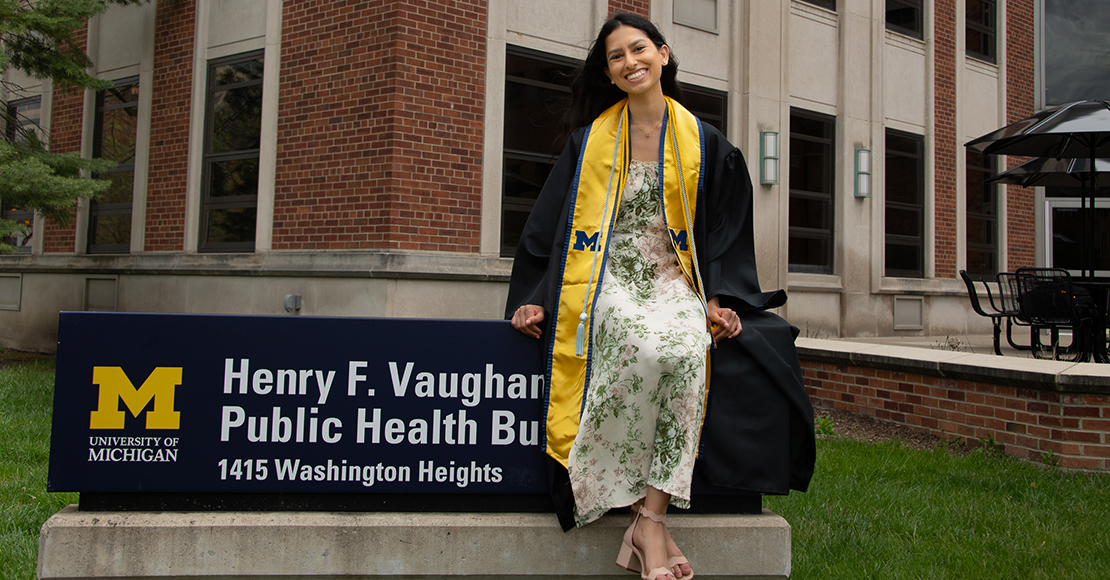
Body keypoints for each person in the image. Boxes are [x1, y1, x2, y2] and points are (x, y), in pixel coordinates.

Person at [505, 14, 815, 580]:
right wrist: (535, 296)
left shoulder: (703, 141)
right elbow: (550, 227)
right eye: (617, 56)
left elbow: (724, 232)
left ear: (664, 54)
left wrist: (720, 298)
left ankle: (649, 517)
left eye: (639, 49)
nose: (630, 62)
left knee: (683, 348)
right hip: (606, 277)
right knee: (641, 349)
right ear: (609, 71)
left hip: (675, 278)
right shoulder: (590, 141)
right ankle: (647, 523)